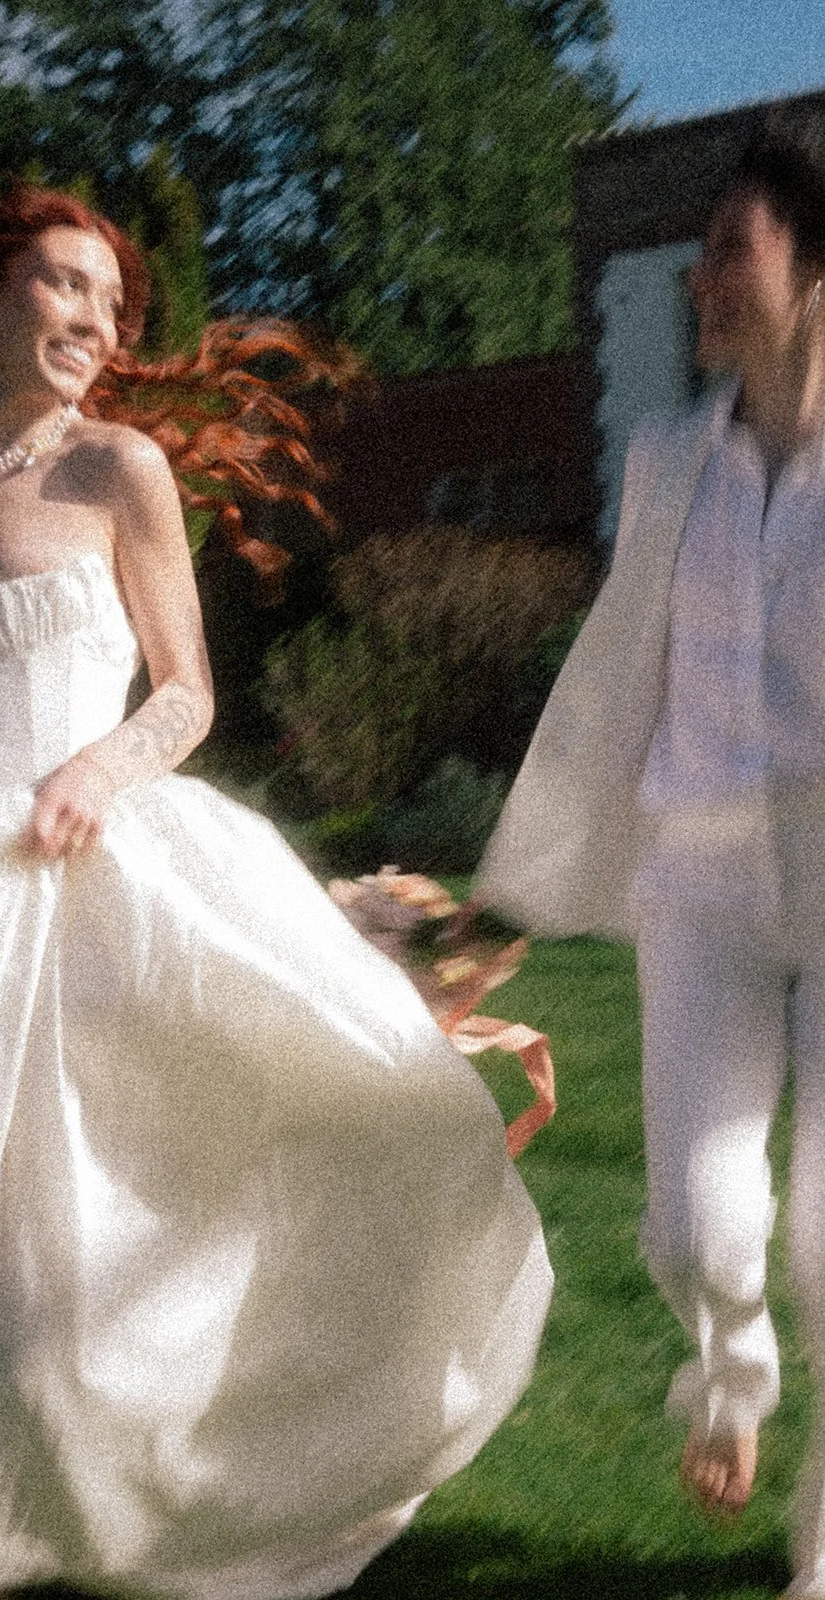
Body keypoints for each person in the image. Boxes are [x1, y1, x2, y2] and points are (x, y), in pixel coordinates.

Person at [0, 181, 552, 1600]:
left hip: (86, 856)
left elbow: (185, 693)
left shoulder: (116, 468)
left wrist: (98, 768)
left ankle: (143, 1482)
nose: (94, 322)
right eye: (65, 288)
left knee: (116, 1204)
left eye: (112, 307)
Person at [478, 109, 825, 1594]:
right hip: (697, 880)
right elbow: (613, 682)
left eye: (726, 251)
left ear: (812, 276)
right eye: (693, 255)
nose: (698, 279)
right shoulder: (661, 461)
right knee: (697, 1228)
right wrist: (522, 880)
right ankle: (725, 1382)